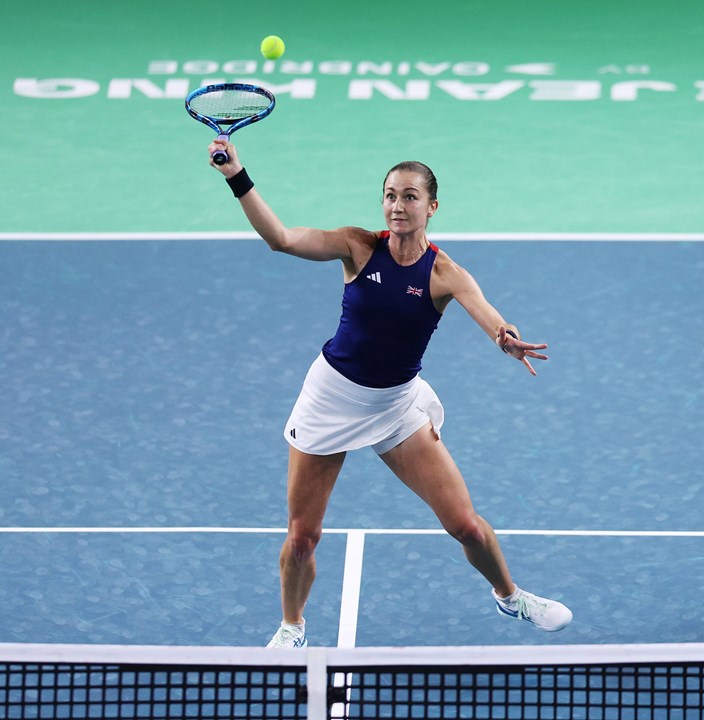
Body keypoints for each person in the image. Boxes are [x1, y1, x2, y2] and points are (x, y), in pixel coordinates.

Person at [205, 138, 572, 648]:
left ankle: (510, 595)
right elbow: (283, 239)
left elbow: (487, 313)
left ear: (432, 206)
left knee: (465, 524)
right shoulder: (358, 246)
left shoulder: (445, 274)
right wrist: (235, 175)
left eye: (410, 197)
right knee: (302, 537)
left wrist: (505, 338)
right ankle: (292, 627)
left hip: (397, 406)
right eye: (390, 195)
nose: (398, 206)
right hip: (329, 400)